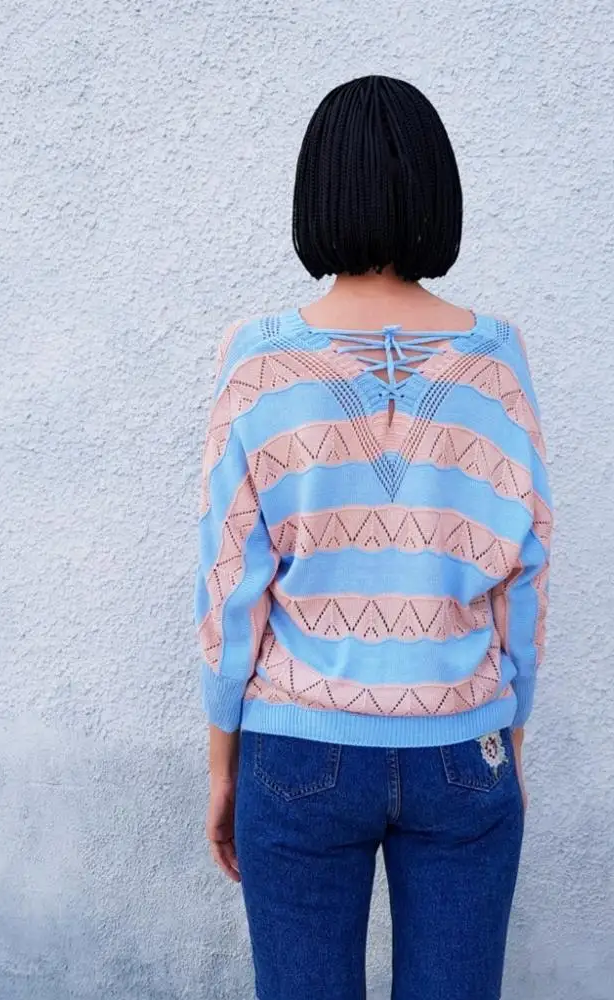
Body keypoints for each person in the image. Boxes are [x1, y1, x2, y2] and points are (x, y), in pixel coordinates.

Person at [194, 73, 553, 1000]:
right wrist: (509, 733)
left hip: (295, 747)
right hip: (461, 746)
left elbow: (231, 581)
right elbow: (525, 572)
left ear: (317, 193)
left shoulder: (258, 360)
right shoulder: (498, 359)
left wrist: (223, 759)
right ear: (437, 191)